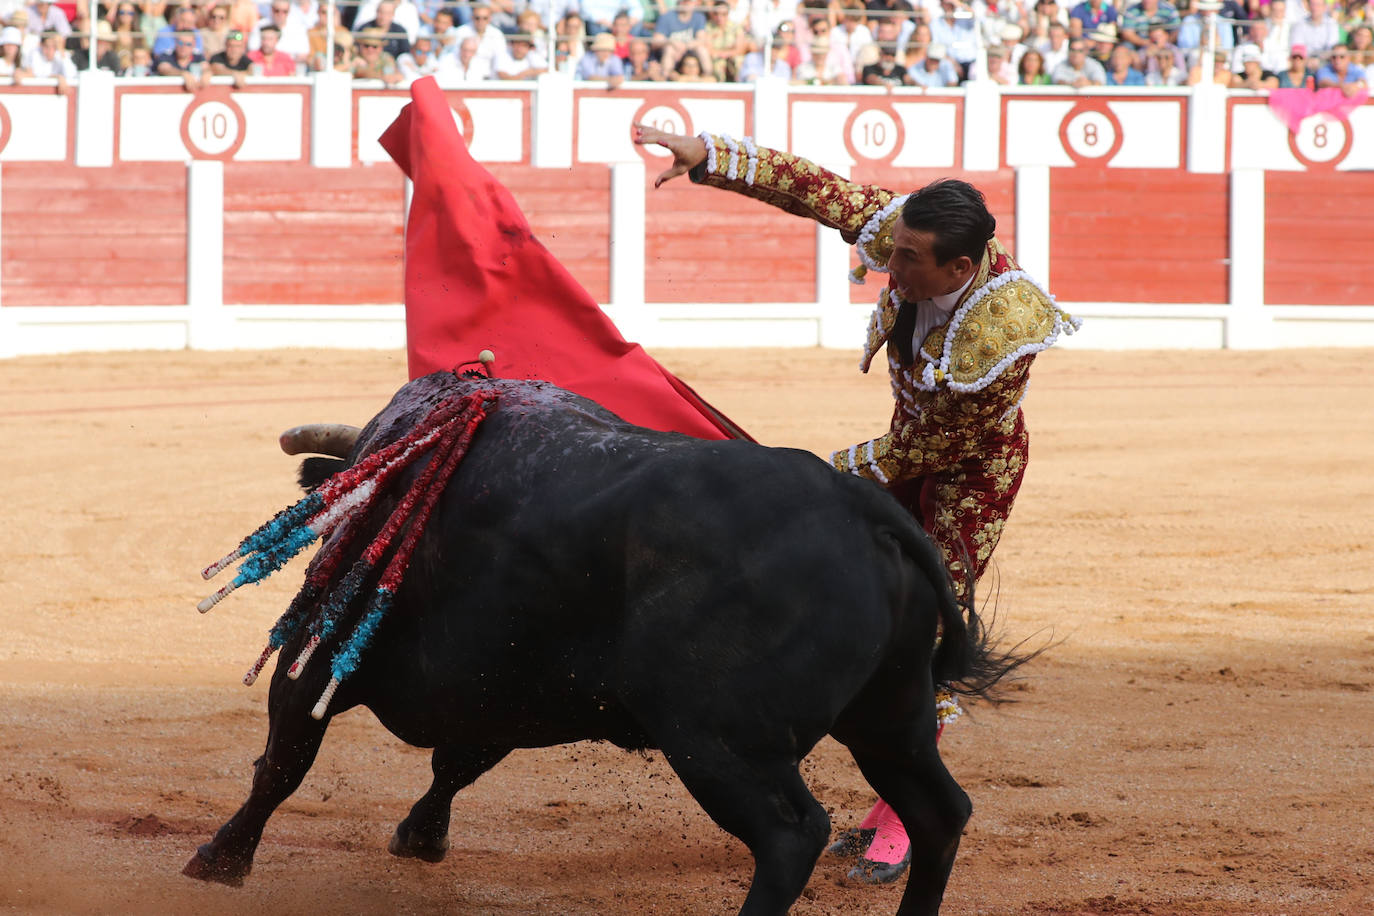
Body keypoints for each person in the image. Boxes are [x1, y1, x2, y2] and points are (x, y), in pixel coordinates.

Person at [631, 120, 1078, 885]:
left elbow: (933, 453)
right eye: (893, 247)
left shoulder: (1006, 333)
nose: (886, 263)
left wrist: (817, 476)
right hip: (905, 445)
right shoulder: (916, 238)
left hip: (971, 473)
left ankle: (907, 814)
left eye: (907, 259)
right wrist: (712, 157)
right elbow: (818, 190)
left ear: (960, 267)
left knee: (927, 629)